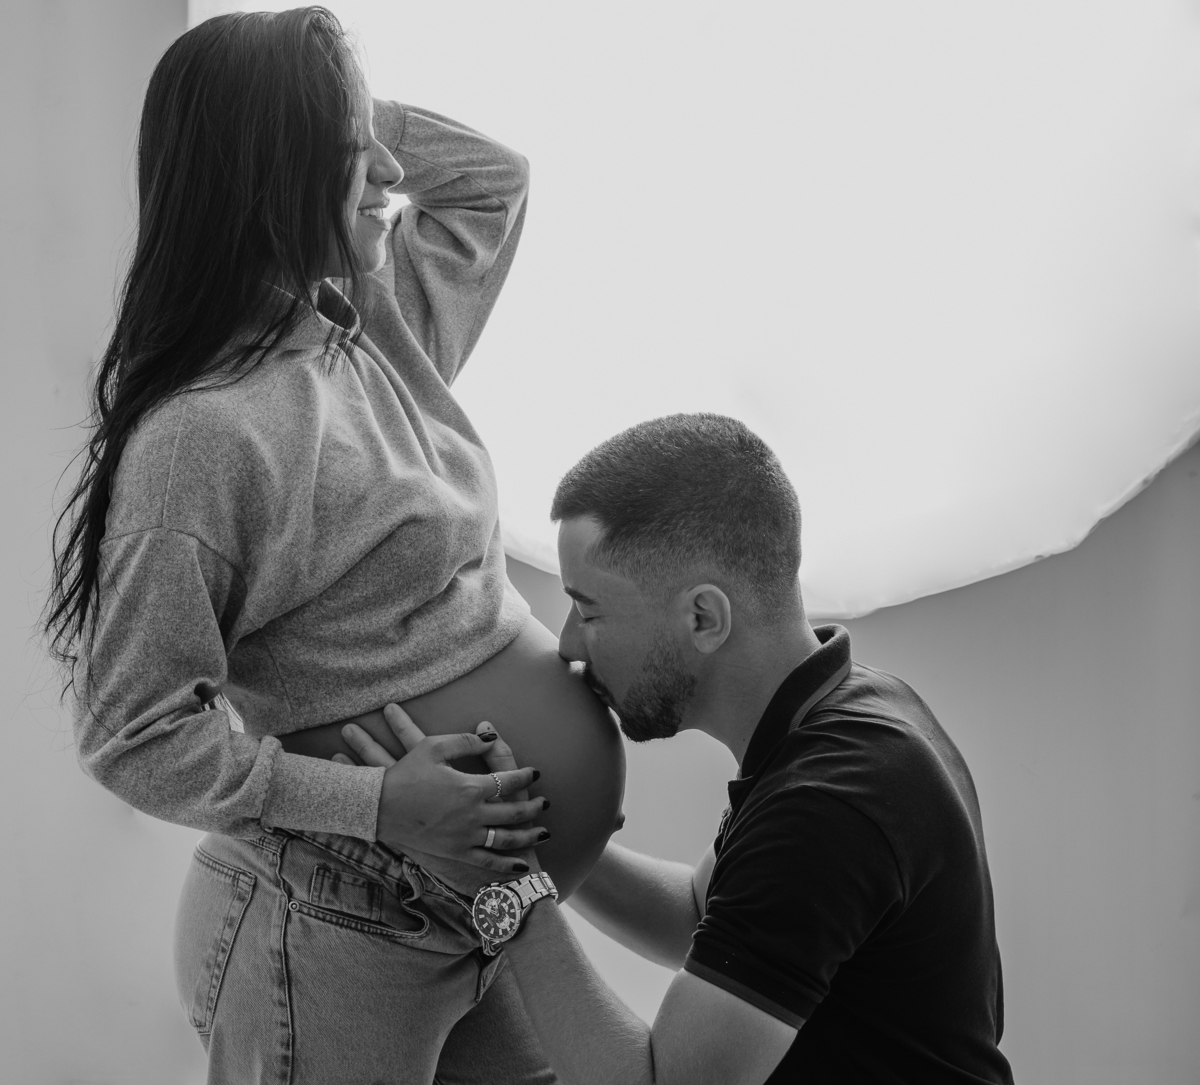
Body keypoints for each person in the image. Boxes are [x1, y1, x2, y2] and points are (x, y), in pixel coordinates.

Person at [43, 8, 621, 1083]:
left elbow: (493, 181)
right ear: (272, 178)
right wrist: (379, 804)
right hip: (335, 922)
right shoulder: (203, 437)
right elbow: (130, 732)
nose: (393, 174)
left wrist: (334, 108)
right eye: (357, 155)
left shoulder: (374, 324)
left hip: (482, 904)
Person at [347, 413, 1017, 1084]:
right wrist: (514, 830)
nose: (570, 644)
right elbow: (698, 915)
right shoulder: (849, 714)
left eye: (590, 610)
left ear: (703, 617)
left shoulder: (830, 803)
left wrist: (505, 886)